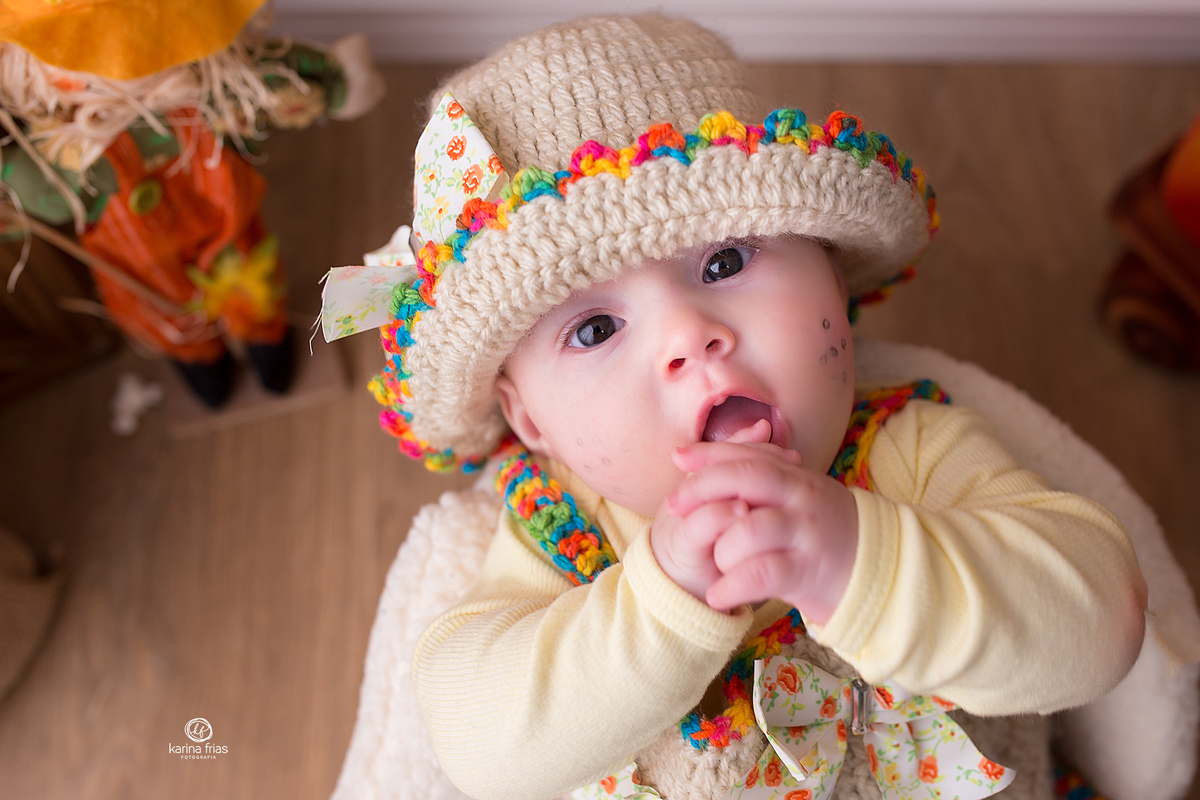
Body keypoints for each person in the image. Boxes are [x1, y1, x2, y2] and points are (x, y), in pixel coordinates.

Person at [369, 15, 1148, 800]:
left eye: (725, 259)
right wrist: (658, 605)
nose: (689, 336)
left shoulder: (906, 452)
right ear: (532, 423)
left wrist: (859, 563)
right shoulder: (561, 535)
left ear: (833, 279)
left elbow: (1102, 619)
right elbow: (477, 745)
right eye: (596, 328)